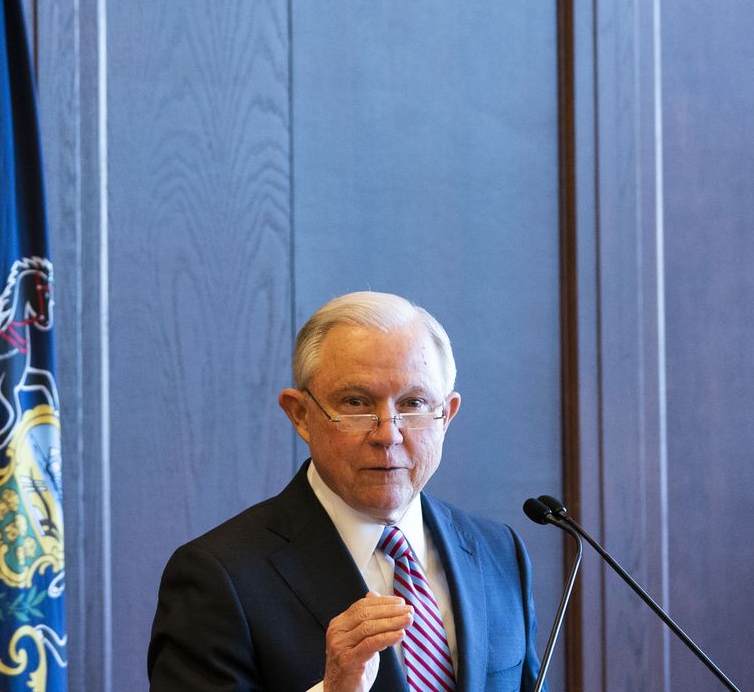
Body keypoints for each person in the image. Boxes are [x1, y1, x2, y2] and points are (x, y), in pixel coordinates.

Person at [147, 292, 541, 692]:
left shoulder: (498, 553)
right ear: (300, 415)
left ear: (447, 416)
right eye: (356, 402)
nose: (388, 434)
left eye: (414, 403)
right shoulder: (219, 576)